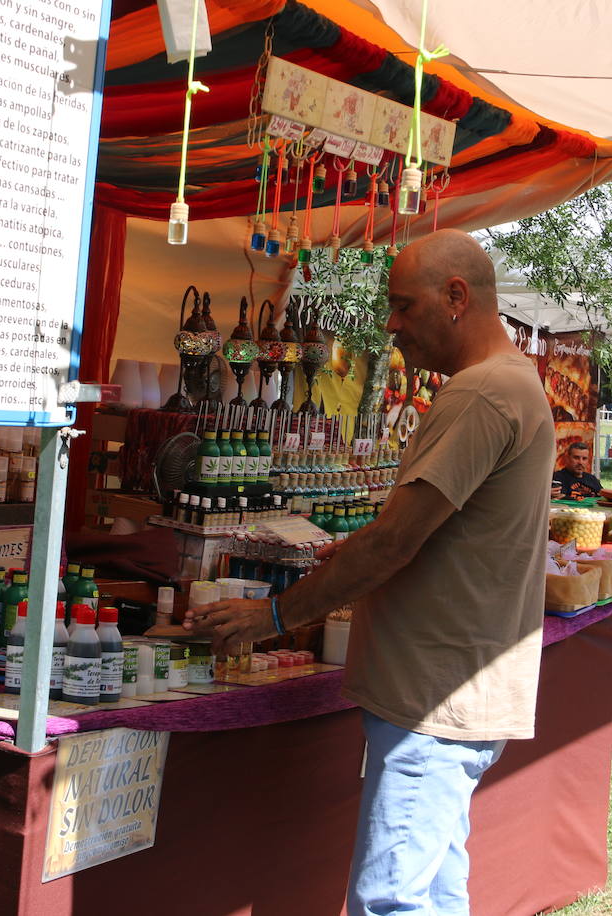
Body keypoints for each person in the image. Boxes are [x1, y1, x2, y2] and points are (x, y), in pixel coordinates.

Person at [184, 230, 554, 915]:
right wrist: (355, 554)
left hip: (434, 698)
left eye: (402, 305)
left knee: (391, 901)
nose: (390, 324)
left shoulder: (480, 396)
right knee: (433, 893)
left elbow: (393, 544)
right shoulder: (510, 384)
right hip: (453, 692)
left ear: (455, 297)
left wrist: (271, 617)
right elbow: (423, 537)